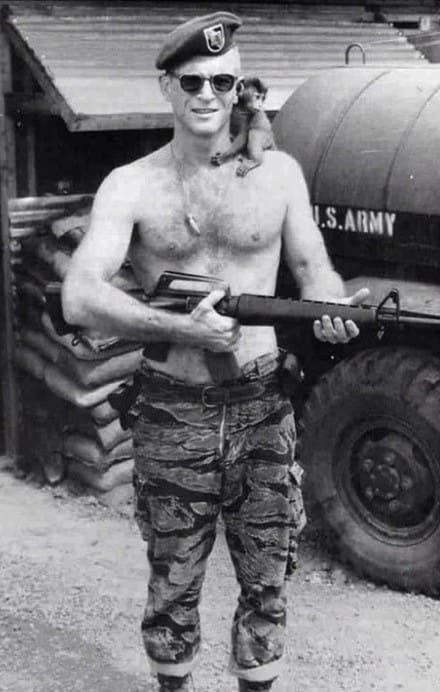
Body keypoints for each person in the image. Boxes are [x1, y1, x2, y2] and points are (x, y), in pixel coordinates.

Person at [62, 11, 369, 692]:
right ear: (167, 87)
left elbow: (313, 268)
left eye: (222, 82)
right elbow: (79, 297)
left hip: (263, 405)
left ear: (239, 89)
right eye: (193, 81)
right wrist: (181, 330)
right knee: (173, 582)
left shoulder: (280, 174)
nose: (208, 94)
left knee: (268, 580)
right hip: (174, 410)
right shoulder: (131, 184)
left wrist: (332, 308)